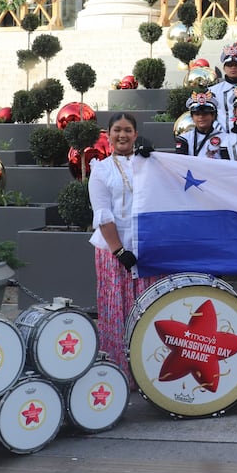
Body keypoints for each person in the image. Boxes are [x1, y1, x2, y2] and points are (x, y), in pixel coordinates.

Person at [87, 112, 159, 387]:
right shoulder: (101, 170)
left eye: (128, 130)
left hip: (145, 248)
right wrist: (118, 251)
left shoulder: (148, 164)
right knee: (119, 309)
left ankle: (149, 370)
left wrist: (155, 159)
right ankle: (121, 373)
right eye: (117, 130)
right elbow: (103, 214)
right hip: (115, 251)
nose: (122, 135)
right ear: (108, 135)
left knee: (147, 309)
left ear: (135, 134)